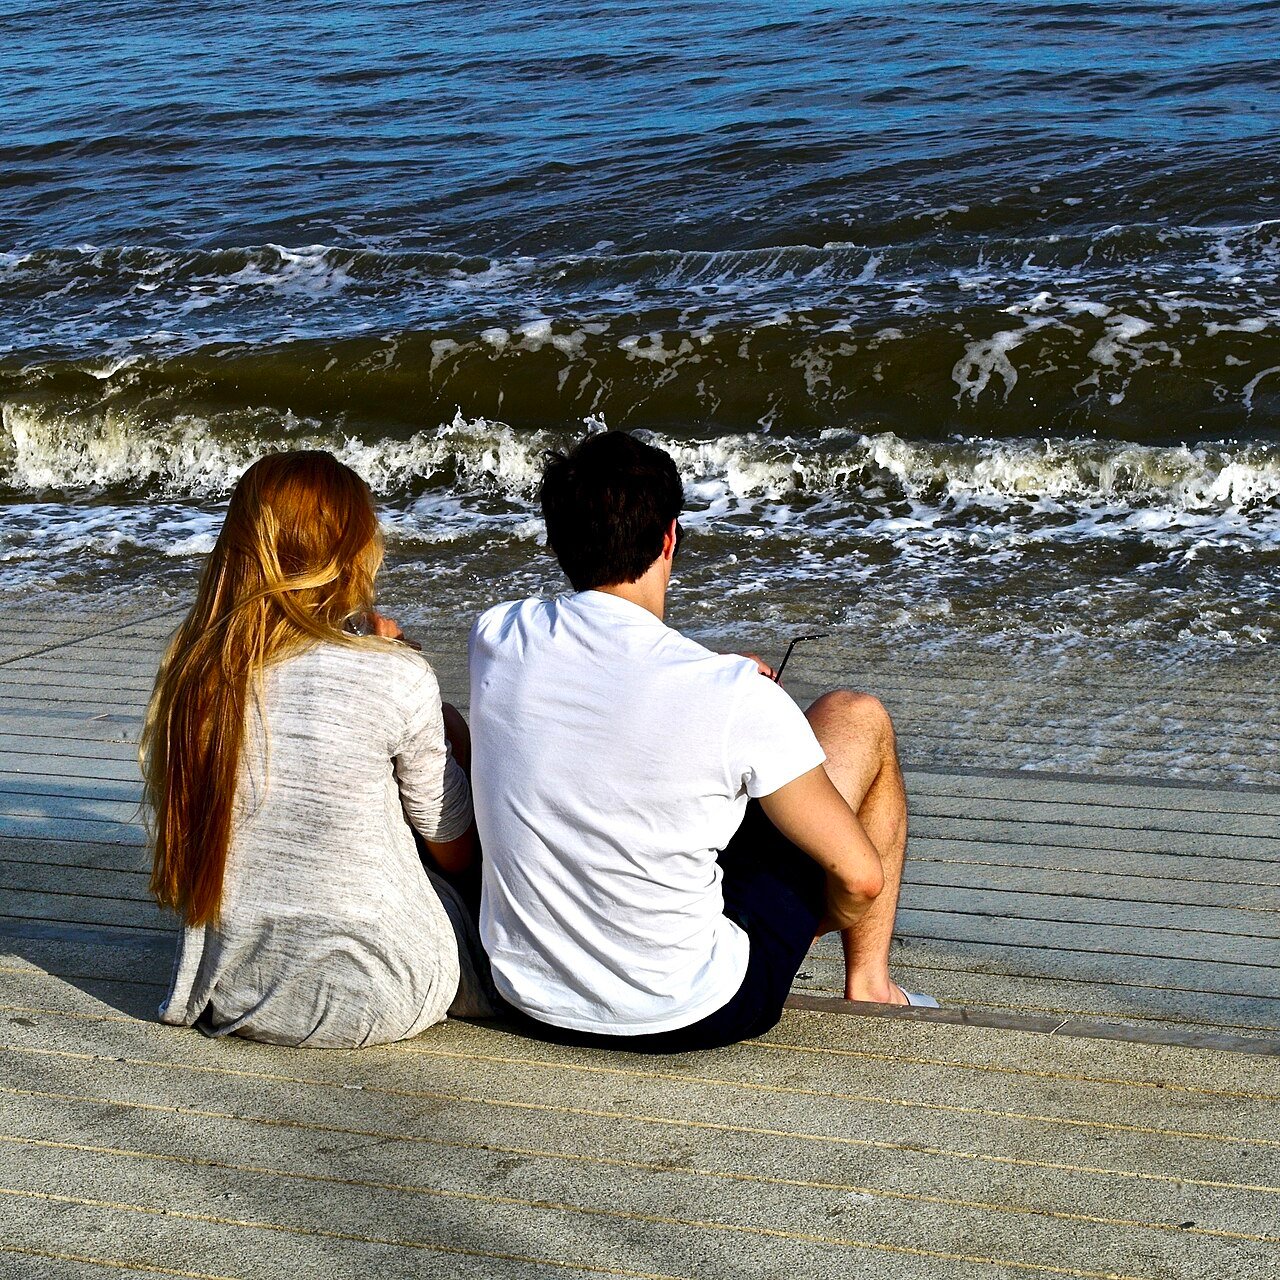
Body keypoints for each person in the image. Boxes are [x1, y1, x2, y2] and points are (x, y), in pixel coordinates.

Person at [468, 431, 934, 1054]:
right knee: (857, 716)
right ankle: (871, 984)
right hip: (693, 1009)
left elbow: (608, 687)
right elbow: (862, 882)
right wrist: (810, 920)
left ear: (557, 541)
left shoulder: (497, 634)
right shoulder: (732, 693)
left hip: (530, 997)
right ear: (668, 537)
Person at [143, 450, 494, 1048]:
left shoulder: (194, 675)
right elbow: (455, 850)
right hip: (384, 989)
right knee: (444, 741)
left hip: (239, 992)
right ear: (355, 549)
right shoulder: (394, 677)